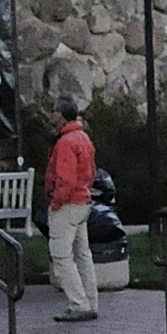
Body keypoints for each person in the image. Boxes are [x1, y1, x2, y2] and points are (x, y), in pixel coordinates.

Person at [45, 99, 99, 321]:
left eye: (55, 111)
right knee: (83, 254)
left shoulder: (66, 142)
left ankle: (78, 304)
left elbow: (65, 179)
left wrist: (56, 202)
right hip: (82, 202)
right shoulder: (83, 138)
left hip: (67, 205)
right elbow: (91, 172)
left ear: (62, 116)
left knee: (61, 256)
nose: (52, 114)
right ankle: (90, 301)